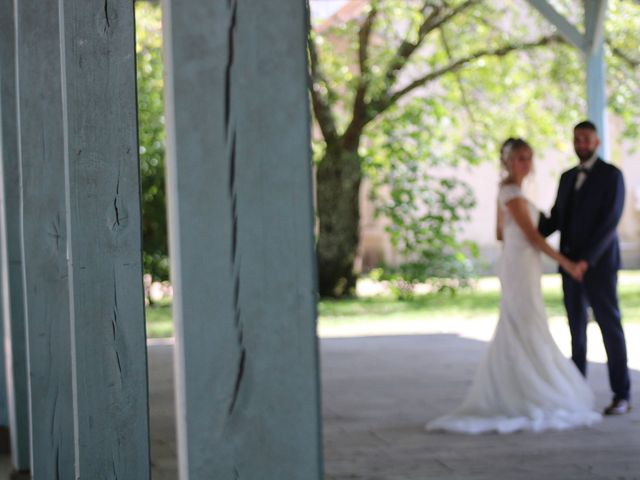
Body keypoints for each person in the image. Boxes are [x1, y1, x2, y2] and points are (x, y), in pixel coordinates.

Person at [427, 138, 601, 434]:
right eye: (520, 158)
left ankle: (522, 385)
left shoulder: (511, 192)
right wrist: (568, 263)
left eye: (529, 157)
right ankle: (526, 390)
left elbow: (499, 232)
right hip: (521, 263)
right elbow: (533, 237)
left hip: (519, 262)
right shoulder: (511, 192)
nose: (526, 163)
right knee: (525, 321)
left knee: (526, 322)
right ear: (507, 161)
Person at [539, 121, 631, 415]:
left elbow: (610, 223)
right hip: (568, 266)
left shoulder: (612, 175)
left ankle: (622, 395)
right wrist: (525, 222)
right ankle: (576, 393)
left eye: (587, 139)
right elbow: (555, 219)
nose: (581, 144)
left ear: (597, 142)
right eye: (577, 139)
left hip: (599, 267)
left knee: (609, 328)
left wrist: (585, 261)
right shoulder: (566, 177)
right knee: (575, 331)